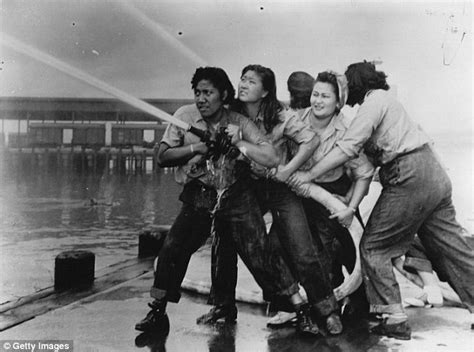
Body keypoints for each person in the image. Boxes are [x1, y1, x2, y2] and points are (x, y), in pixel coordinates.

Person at [289, 61, 474, 340]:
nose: (343, 91)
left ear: (356, 84)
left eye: (346, 86)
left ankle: (393, 316)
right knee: (451, 246)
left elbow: (349, 146)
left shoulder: (373, 102)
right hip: (433, 176)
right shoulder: (391, 103)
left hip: (408, 175)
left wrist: (310, 174)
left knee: (373, 246)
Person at [135, 66, 294, 334]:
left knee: (257, 250)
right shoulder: (184, 116)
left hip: (235, 192)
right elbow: (163, 157)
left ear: (223, 94)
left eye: (207, 93)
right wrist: (197, 147)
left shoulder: (239, 122)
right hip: (200, 193)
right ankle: (158, 311)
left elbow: (269, 154)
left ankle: (292, 306)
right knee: (173, 249)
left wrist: (239, 146)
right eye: (197, 93)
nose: (201, 99)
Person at [199, 64, 343, 336]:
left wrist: (288, 170)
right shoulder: (233, 113)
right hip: (245, 183)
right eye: (242, 79)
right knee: (223, 240)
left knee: (301, 246)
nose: (242, 84)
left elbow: (310, 141)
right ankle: (224, 305)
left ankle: (327, 310)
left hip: (279, 185)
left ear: (265, 91)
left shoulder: (282, 115)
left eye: (250, 81)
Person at [291, 70, 374, 323]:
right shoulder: (294, 120)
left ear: (338, 101)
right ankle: (305, 307)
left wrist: (352, 205)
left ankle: (356, 305)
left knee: (349, 251)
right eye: (315, 94)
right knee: (307, 249)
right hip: (301, 192)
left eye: (325, 96)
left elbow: (365, 172)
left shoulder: (347, 129)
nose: (318, 101)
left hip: (336, 192)